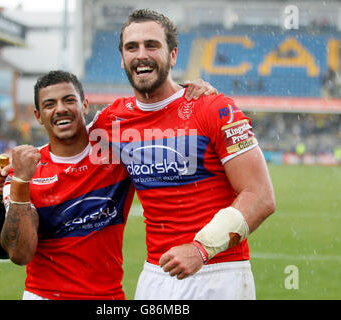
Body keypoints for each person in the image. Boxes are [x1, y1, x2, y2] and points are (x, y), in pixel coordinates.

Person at [91, 9, 276, 299]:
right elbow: (62, 153)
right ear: (123, 58)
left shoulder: (213, 107)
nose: (141, 54)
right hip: (155, 275)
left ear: (173, 55)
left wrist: (201, 249)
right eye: (132, 47)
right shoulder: (111, 120)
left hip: (219, 273)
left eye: (152, 45)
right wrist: (10, 170)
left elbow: (261, 196)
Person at [0, 71, 216, 300]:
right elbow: (20, 253)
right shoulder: (24, 170)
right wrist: (21, 182)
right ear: (38, 115)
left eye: (69, 100)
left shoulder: (115, 149)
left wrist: (191, 92)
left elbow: (156, 113)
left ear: (84, 105)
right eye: (49, 104)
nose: (60, 109)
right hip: (45, 296)